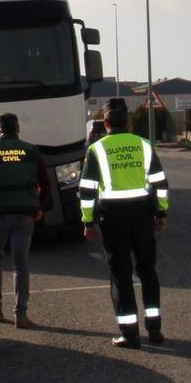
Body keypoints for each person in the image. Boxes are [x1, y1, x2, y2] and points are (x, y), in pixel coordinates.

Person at [79, 98, 169, 349]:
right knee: (148, 271)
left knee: (121, 275)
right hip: (142, 214)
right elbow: (159, 183)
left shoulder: (96, 149)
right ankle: (155, 329)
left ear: (105, 122)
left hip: (113, 217)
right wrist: (161, 214)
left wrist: (87, 221)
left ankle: (129, 334)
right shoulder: (143, 144)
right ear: (128, 121)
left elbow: (87, 190)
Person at [0, 113, 53, 328]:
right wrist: (39, 207)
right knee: (21, 263)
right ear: (18, 129)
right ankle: (21, 314)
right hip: (25, 213)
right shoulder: (31, 151)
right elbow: (46, 183)